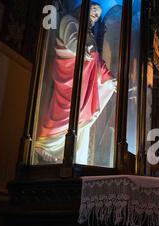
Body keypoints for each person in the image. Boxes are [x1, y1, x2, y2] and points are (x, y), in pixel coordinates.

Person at [36, 2, 117, 164]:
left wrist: (110, 78)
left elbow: (97, 62)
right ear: (84, 9)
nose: (96, 15)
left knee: (81, 119)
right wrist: (84, 49)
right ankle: (47, 146)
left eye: (98, 14)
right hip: (71, 79)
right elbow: (73, 41)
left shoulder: (89, 34)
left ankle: (72, 157)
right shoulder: (70, 21)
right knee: (66, 110)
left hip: (84, 82)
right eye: (94, 10)